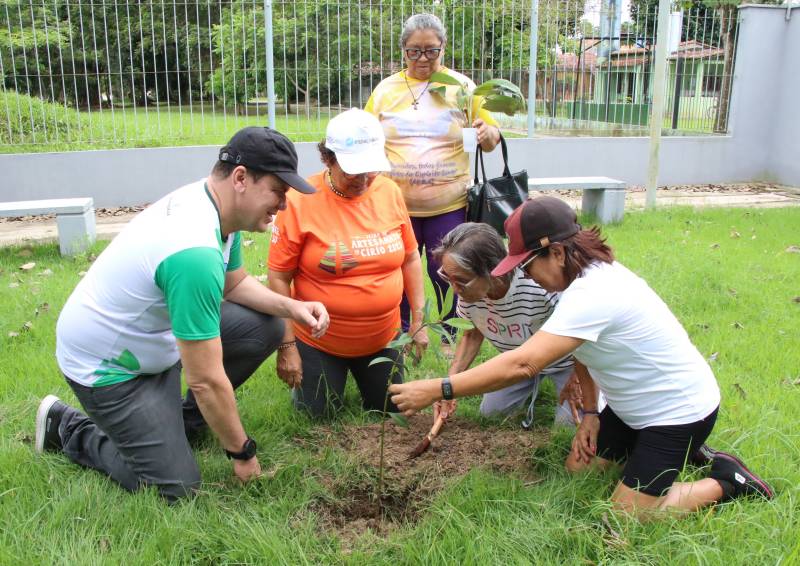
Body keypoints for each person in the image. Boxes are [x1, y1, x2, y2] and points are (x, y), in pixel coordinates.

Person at [389, 197, 774, 519]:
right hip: (628, 408)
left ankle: (727, 480)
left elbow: (524, 363)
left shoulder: (593, 293)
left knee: (627, 514)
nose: (527, 276)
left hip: (676, 413)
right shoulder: (577, 279)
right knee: (579, 471)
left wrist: (439, 387)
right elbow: (583, 351)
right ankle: (662, 457)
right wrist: (591, 413)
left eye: (527, 265)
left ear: (556, 252)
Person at [34, 127, 330, 502]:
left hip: (156, 342)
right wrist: (243, 453)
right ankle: (67, 427)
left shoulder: (220, 209)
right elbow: (205, 379)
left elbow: (235, 284)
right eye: (278, 191)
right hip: (110, 368)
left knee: (267, 326)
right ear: (241, 178)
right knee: (175, 488)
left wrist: (293, 308)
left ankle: (183, 425)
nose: (283, 205)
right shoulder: (193, 251)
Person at [268, 108, 427, 418]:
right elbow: (278, 278)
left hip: (383, 336)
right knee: (317, 416)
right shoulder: (300, 200)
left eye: (371, 169)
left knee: (391, 411)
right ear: (328, 159)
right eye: (354, 171)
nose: (365, 180)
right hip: (319, 340)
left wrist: (418, 320)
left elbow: (410, 258)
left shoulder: (389, 192)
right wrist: (287, 346)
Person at [365, 13, 501, 353]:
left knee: (448, 269)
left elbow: (491, 138)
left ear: (443, 47)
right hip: (395, 205)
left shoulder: (462, 87)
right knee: (397, 268)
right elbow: (366, 136)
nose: (423, 59)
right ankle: (402, 330)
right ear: (403, 50)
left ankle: (450, 334)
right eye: (414, 51)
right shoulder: (385, 90)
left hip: (449, 204)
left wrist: (487, 133)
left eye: (431, 50)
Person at [431, 222, 576, 427]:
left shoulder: (540, 284)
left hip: (567, 362)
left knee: (570, 425)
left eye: (461, 281)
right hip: (515, 363)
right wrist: (449, 385)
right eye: (448, 278)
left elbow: (583, 332)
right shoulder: (469, 291)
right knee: (491, 414)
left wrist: (580, 378)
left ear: (493, 270)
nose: (455, 290)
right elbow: (472, 334)